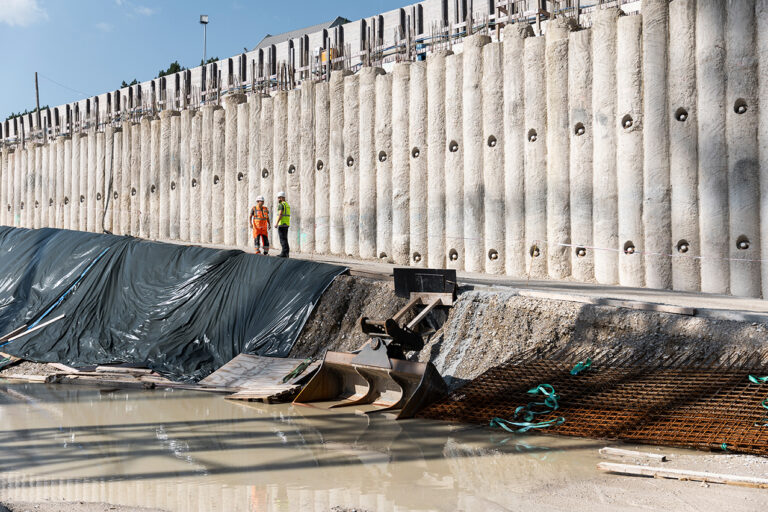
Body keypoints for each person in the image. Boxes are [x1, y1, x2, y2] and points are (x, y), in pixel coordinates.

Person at [275, 191, 291, 258]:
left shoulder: (281, 205)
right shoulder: (287, 204)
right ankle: (286, 253)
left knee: (282, 239)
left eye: (279, 198)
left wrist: (276, 223)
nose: (278, 199)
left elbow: (280, 214)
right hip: (286, 223)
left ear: (281, 198)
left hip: (281, 224)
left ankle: (283, 253)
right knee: (285, 239)